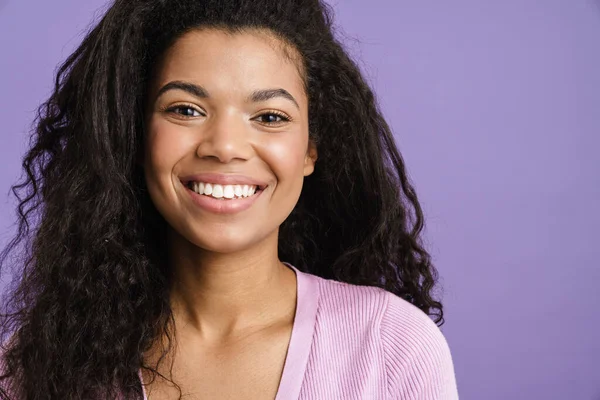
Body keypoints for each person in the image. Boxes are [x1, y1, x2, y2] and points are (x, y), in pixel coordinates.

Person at [0, 0, 459, 398]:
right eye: (186, 109)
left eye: (270, 116)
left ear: (310, 150)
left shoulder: (391, 346)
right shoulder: (37, 363)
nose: (225, 145)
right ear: (136, 137)